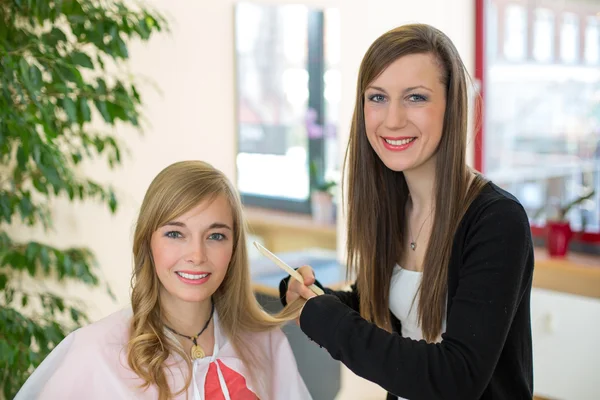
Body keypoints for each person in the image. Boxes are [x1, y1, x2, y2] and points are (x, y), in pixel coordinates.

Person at [281, 24, 534, 400]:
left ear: (451, 106)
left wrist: (327, 321)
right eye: (377, 97)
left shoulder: (496, 221)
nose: (393, 119)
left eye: (415, 98)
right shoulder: (393, 205)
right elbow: (381, 307)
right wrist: (313, 297)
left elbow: (456, 377)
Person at [16, 160, 311, 400]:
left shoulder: (266, 345)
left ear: (234, 249)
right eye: (175, 234)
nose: (196, 255)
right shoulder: (94, 353)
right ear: (147, 242)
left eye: (216, 236)